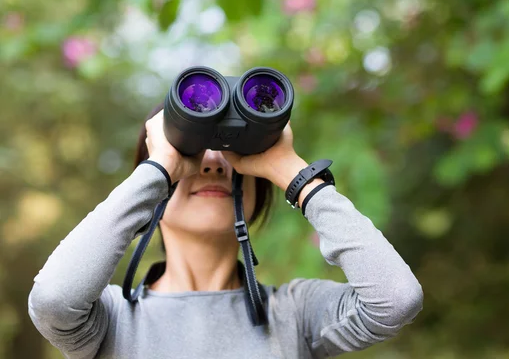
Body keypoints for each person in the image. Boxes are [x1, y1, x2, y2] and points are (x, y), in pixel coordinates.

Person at [28, 105, 423, 359]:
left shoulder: (295, 313)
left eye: (233, 158)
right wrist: (158, 169)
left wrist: (296, 175)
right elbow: (53, 299)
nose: (213, 165)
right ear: (152, 189)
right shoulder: (111, 319)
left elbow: (396, 299)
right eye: (192, 154)